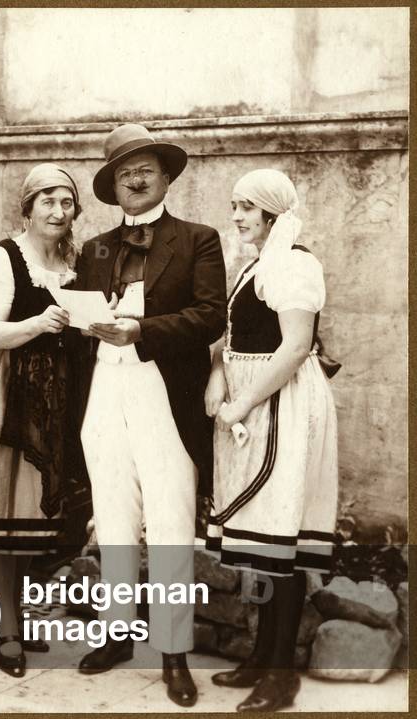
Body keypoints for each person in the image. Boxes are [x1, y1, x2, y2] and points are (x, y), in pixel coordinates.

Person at [75, 124, 227, 707]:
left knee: (168, 522)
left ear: (165, 177)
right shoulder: (95, 248)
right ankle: (117, 632)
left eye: (144, 170)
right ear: (112, 187)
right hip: (105, 390)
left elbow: (210, 316)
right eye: (122, 173)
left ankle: (172, 651)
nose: (134, 180)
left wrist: (142, 330)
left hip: (164, 392)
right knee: (112, 515)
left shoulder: (197, 239)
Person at [0, 163, 89, 677]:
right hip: (6, 388)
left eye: (66, 202)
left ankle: (16, 617)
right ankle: (7, 628)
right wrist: (39, 321)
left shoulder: (74, 260)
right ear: (26, 208)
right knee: (2, 512)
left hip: (56, 390)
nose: (57, 211)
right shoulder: (5, 257)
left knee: (31, 512)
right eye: (47, 201)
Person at [206, 169, 338, 713]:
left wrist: (241, 401)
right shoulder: (257, 264)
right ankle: (262, 656)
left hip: (280, 406)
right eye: (234, 206)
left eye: (247, 208)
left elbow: (294, 348)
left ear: (273, 214)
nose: (237, 217)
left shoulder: (295, 264)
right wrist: (218, 374)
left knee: (280, 538)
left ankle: (281, 677)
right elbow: (233, 340)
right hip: (254, 408)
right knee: (264, 539)